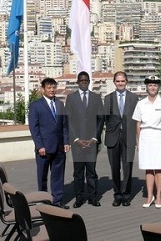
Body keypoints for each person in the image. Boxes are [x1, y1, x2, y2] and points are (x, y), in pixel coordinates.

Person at [28, 77, 70, 208]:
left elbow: (64, 125)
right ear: (43, 89)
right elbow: (34, 128)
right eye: (49, 88)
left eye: (53, 87)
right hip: (44, 148)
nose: (52, 90)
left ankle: (57, 201)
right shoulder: (35, 106)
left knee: (58, 175)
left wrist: (66, 142)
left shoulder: (59, 104)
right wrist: (39, 145)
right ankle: (44, 202)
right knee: (42, 176)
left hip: (59, 147)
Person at [65, 71, 104, 208]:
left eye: (86, 81)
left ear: (89, 82)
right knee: (78, 172)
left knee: (92, 172)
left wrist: (94, 138)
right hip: (77, 143)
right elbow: (68, 120)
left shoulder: (96, 97)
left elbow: (100, 119)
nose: (84, 83)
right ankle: (79, 198)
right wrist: (76, 139)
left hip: (92, 142)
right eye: (81, 81)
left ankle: (93, 198)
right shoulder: (71, 98)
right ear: (77, 82)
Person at [132, 75, 161, 209]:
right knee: (148, 168)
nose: (152, 87)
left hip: (159, 136)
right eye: (150, 85)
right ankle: (150, 195)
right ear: (146, 87)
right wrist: (138, 142)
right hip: (145, 136)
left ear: (158, 87)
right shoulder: (140, 104)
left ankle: (159, 195)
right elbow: (138, 124)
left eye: (155, 85)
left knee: (158, 167)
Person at [103, 71, 139, 207]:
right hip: (113, 137)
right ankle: (117, 195)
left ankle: (126, 195)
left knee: (127, 166)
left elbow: (137, 119)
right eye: (118, 81)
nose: (120, 83)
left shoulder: (134, 98)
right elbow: (105, 118)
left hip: (128, 137)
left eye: (122, 81)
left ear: (126, 82)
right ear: (114, 83)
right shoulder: (108, 98)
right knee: (115, 168)